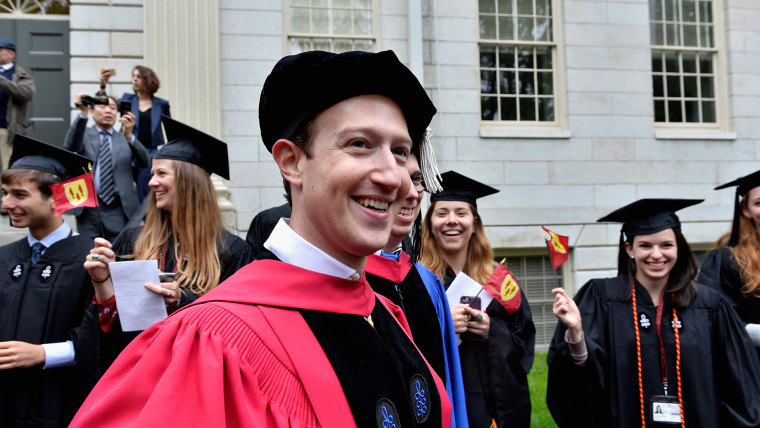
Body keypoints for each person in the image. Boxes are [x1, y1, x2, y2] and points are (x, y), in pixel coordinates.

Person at [71, 49, 452, 427]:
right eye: (359, 144)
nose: (393, 177)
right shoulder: (213, 342)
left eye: (401, 152)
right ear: (291, 162)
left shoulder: (386, 313)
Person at [547, 198, 760, 428]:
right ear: (629, 248)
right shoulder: (601, 298)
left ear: (678, 247)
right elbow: (579, 385)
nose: (656, 255)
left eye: (666, 245)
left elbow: (738, 382)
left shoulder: (709, 305)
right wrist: (577, 334)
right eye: (645, 245)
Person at [82, 115, 252, 369]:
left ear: (189, 182)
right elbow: (109, 328)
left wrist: (182, 301)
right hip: (138, 370)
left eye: (161, 173)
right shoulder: (132, 241)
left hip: (197, 373)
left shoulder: (232, 251)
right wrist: (101, 279)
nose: (151, 182)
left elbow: (240, 327)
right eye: (152, 173)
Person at [420, 170, 536, 428]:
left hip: (491, 408)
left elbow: (524, 344)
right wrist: (441, 325)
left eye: (461, 213)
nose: (452, 221)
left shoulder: (500, 285)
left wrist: (492, 331)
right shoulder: (417, 284)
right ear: (429, 225)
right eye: (442, 213)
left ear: (474, 224)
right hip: (442, 407)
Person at [0, 135, 100, 426]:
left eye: (19, 195)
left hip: (61, 402)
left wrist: (44, 353)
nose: (6, 204)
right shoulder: (5, 258)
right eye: (5, 193)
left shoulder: (91, 259)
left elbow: (99, 337)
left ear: (55, 198)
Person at [365, 151, 469, 428]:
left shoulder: (427, 283)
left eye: (417, 179)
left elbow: (451, 388)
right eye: (401, 179)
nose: (412, 193)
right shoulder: (348, 280)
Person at [64, 92, 149, 242]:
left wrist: (130, 137)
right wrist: (82, 113)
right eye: (103, 106)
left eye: (112, 107)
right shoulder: (84, 134)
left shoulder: (124, 138)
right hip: (89, 208)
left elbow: (145, 162)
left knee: (119, 252)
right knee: (89, 251)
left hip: (118, 207)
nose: (108, 111)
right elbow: (70, 146)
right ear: (91, 111)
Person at [699, 170, 760, 356]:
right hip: (752, 365)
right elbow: (713, 318)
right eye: (759, 203)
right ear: (745, 210)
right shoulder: (726, 260)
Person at [100, 65, 171, 201]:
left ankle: (143, 218)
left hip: (150, 152)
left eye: (138, 76)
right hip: (127, 149)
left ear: (148, 79)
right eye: (133, 76)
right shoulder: (127, 99)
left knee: (145, 186)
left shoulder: (161, 104)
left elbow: (170, 128)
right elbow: (105, 107)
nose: (134, 80)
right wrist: (103, 86)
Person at [0, 38, 35, 171]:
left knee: (8, 170)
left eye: (0, 50)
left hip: (6, 130)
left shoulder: (21, 75)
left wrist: (2, 81)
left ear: (11, 54)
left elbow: (26, 94)